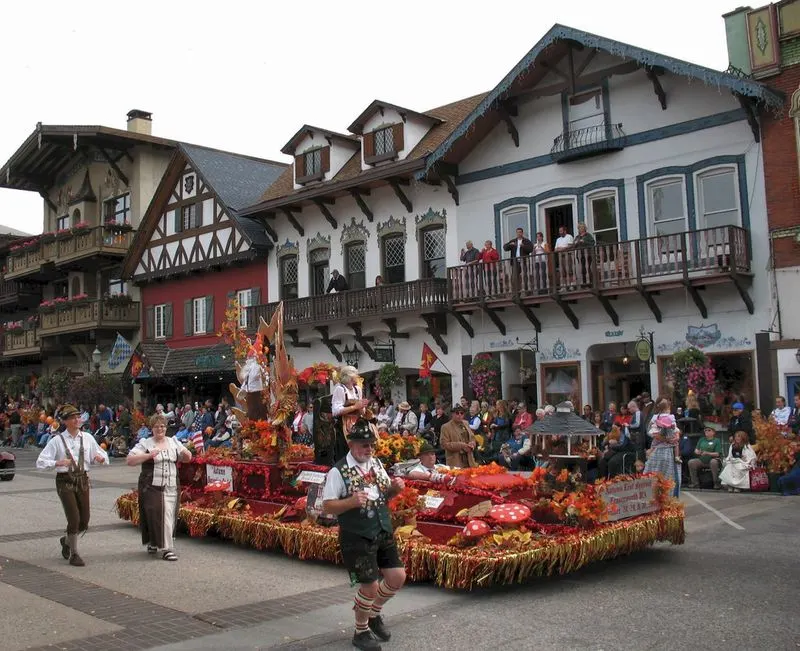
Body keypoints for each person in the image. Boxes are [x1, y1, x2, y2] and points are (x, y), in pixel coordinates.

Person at [322, 419, 406, 650]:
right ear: (351, 444)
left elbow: (383, 497)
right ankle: (360, 631)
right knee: (368, 587)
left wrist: (394, 490)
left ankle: (373, 614)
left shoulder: (376, 464)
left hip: (382, 530)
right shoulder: (337, 472)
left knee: (397, 577)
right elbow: (327, 506)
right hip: (356, 536)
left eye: (371, 444)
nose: (368, 449)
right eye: (363, 444)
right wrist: (350, 502)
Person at [36, 404, 109, 566]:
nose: (77, 420)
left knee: (85, 521)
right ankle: (74, 554)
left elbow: (101, 455)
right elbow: (40, 463)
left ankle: (67, 540)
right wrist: (58, 462)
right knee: (74, 518)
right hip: (65, 481)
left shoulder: (88, 438)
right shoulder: (56, 441)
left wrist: (100, 459)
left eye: (78, 417)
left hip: (82, 479)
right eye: (73, 418)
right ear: (65, 421)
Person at [127, 414, 192, 561]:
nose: (159, 429)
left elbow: (188, 457)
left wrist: (186, 453)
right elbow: (130, 460)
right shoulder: (145, 443)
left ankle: (155, 542)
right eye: (156, 426)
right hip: (151, 486)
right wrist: (148, 456)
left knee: (168, 514)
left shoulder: (173, 441)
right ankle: (167, 549)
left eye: (162, 426)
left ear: (166, 427)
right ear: (152, 428)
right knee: (157, 513)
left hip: (171, 485)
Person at [332, 365, 369, 462]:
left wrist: (362, 407)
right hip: (343, 424)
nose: (357, 377)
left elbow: (362, 412)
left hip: (357, 423)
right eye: (356, 375)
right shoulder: (340, 389)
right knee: (347, 448)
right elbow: (335, 411)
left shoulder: (358, 389)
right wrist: (354, 407)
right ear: (350, 377)